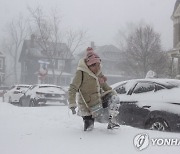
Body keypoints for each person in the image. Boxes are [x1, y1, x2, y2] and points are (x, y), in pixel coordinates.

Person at [68, 47, 120, 131]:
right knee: (89, 128)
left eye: (98, 65)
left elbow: (105, 87)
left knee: (114, 97)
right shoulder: (81, 73)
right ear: (88, 65)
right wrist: (72, 104)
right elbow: (73, 88)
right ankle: (88, 139)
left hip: (98, 102)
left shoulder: (98, 73)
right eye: (94, 65)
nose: (97, 67)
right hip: (87, 105)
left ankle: (112, 121)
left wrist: (113, 94)